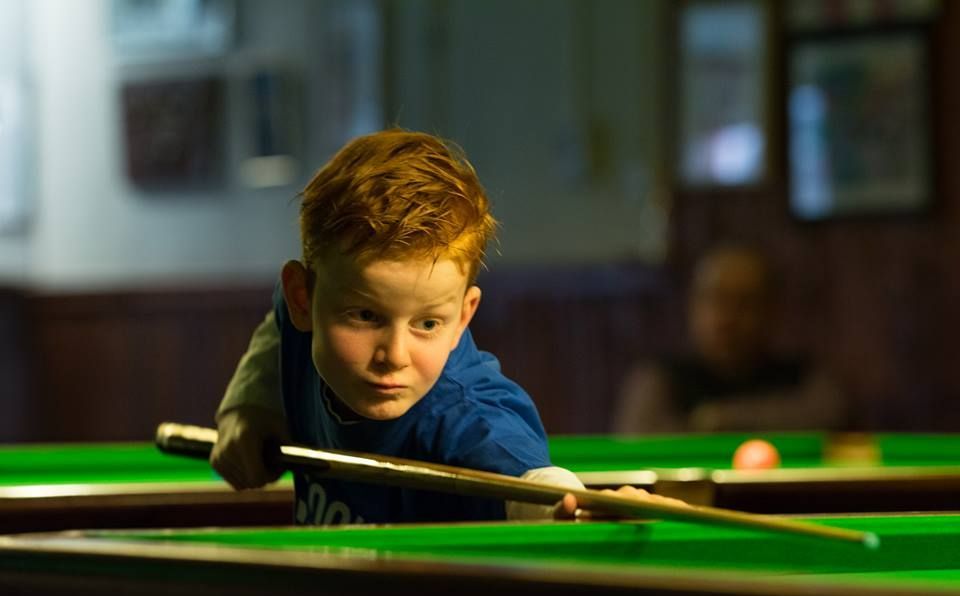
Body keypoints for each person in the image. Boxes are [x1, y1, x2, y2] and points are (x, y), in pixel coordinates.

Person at [213, 129, 671, 524]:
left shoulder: (466, 416)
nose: (394, 354)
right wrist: (247, 407)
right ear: (303, 299)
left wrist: (579, 507)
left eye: (428, 323)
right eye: (365, 316)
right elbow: (278, 330)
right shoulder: (298, 325)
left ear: (464, 317)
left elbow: (532, 486)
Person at [612, 245, 846, 434]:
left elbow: (833, 417)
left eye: (743, 302)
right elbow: (638, 435)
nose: (727, 318)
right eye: (715, 299)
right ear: (693, 306)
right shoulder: (659, 379)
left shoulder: (803, 377)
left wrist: (719, 419)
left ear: (772, 310)